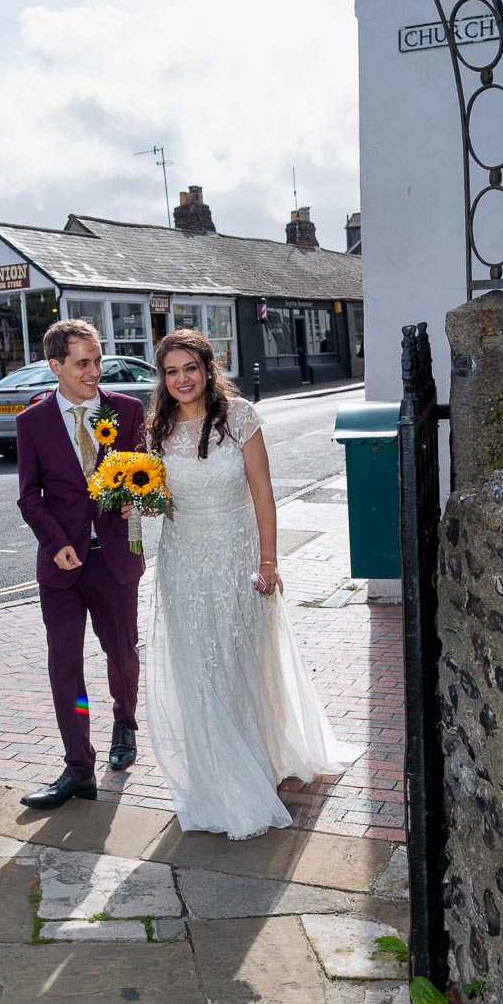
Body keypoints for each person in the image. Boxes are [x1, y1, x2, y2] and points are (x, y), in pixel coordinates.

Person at [145, 328, 359, 840]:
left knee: (237, 657)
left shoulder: (239, 418)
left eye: (189, 368)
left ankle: (252, 763)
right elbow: (159, 493)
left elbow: (263, 492)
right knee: (196, 665)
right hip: (182, 559)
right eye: (171, 371)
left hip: (236, 552)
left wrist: (269, 560)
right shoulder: (158, 425)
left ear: (207, 368)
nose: (181, 380)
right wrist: (138, 502)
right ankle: (213, 775)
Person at [16, 319, 146, 810]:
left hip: (114, 560)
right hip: (61, 566)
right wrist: (54, 543)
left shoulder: (127, 410)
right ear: (57, 366)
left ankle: (124, 724)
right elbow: (29, 497)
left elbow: (147, 473)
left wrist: (141, 498)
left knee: (121, 654)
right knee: (65, 666)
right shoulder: (33, 423)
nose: (95, 371)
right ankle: (78, 768)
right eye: (83, 363)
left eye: (97, 360)